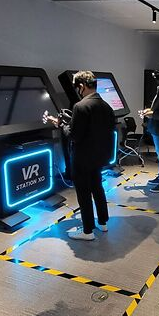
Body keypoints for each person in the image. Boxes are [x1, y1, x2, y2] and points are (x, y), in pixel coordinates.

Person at [64, 71, 116, 241]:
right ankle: (103, 222)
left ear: (82, 86)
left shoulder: (80, 106)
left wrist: (63, 126)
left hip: (82, 158)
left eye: (77, 87)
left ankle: (87, 231)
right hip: (99, 157)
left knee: (84, 193)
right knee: (97, 188)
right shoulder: (106, 106)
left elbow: (74, 136)